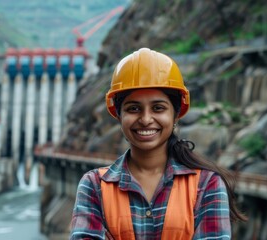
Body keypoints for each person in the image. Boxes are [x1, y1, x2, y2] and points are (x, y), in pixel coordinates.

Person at [70, 48, 246, 239]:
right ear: (119, 115)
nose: (146, 119)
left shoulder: (206, 185)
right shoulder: (95, 185)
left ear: (176, 114)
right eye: (134, 108)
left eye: (158, 108)